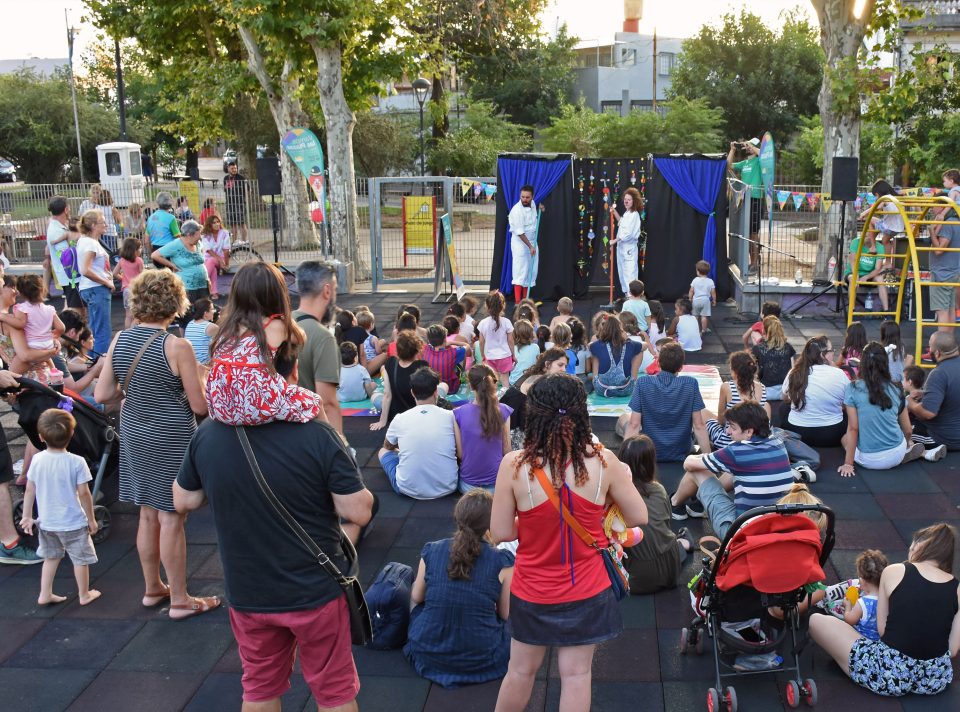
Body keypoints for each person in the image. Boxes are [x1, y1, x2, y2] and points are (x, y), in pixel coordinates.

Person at [173, 371, 373, 711]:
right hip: (313, 590)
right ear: (291, 373)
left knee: (259, 687)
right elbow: (359, 511)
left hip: (249, 590)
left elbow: (184, 499)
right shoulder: (316, 432)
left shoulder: (210, 432)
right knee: (334, 689)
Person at [490, 374, 647, 712]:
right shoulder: (604, 462)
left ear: (534, 414)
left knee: (519, 672)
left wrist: (533, 521)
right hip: (587, 589)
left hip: (533, 588)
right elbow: (639, 516)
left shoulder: (514, 465)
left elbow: (500, 532)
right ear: (581, 414)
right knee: (576, 675)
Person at [94, 269, 220, 619]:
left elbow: (102, 394)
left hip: (135, 430)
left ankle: (153, 588)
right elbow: (199, 406)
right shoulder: (176, 346)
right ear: (175, 303)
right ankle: (179, 599)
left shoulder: (120, 339)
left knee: (147, 514)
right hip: (171, 436)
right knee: (172, 517)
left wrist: (136, 392)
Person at [809, 523, 960, 698]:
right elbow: (952, 648)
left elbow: (883, 630)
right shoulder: (957, 588)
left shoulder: (895, 571)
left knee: (816, 621)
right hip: (935, 679)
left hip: (888, 675)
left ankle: (847, 661)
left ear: (919, 546)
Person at [404, 489, 514, 688]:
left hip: (428, 651)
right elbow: (505, 614)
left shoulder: (432, 550)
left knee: (416, 601)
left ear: (457, 518)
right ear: (490, 524)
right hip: (482, 657)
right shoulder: (502, 561)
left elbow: (417, 596)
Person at [206, 263, 323, 426]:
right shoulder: (275, 325)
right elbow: (300, 338)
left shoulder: (227, 327)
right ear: (277, 295)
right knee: (316, 402)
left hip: (222, 406)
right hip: (259, 404)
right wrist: (283, 317)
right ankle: (335, 438)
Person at [669, 402, 794, 536]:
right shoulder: (778, 443)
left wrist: (701, 456)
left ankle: (674, 504)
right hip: (776, 527)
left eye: (733, 428)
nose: (727, 432)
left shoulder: (736, 452)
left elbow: (688, 464)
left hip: (740, 534)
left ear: (749, 432)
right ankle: (699, 504)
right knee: (737, 470)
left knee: (697, 471)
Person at [18, 408, 100, 605]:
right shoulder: (77, 462)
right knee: (80, 559)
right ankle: (84, 594)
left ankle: (45, 594)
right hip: (73, 523)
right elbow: (84, 494)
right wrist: (91, 519)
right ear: (72, 435)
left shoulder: (37, 460)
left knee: (51, 558)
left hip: (47, 523)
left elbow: (30, 490)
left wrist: (27, 516)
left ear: (40, 437)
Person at [618, 435, 692, 594]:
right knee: (667, 539)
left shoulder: (616, 497)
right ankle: (683, 543)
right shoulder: (658, 490)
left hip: (634, 579)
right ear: (651, 463)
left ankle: (682, 543)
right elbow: (665, 526)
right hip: (670, 571)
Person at [839, 342, 925, 476]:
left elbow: (853, 428)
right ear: (885, 363)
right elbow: (908, 430)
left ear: (863, 363)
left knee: (845, 438)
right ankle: (909, 451)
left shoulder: (853, 388)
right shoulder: (897, 389)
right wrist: (907, 442)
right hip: (897, 453)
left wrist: (848, 464)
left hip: (869, 460)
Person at [618, 342, 711, 461]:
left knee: (624, 419)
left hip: (649, 450)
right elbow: (698, 425)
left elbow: (634, 424)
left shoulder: (643, 383)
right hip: (681, 450)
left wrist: (623, 462)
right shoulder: (690, 384)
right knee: (703, 414)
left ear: (658, 363)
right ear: (681, 367)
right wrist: (709, 459)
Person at [379, 367, 458, 499]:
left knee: (383, 452)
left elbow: (387, 446)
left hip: (407, 488)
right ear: (436, 392)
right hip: (448, 486)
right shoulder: (450, 416)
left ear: (412, 393)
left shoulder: (400, 418)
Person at [293, 261, 343, 435]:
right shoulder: (323, 337)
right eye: (335, 290)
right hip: (310, 435)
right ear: (327, 291)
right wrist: (341, 445)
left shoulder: (281, 324)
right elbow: (327, 404)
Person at [454, 364, 512, 494]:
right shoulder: (504, 411)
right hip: (497, 483)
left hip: (467, 486)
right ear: (494, 383)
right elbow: (507, 450)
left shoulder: (458, 413)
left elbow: (461, 454)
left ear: (470, 386)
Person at [782, 337, 850, 447]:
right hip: (831, 434)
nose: (833, 353)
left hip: (797, 432)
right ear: (823, 355)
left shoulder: (794, 372)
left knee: (784, 407)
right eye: (831, 350)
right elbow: (849, 402)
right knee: (848, 414)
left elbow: (785, 397)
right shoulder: (839, 374)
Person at [501, 348, 569, 449]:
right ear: (547, 364)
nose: (564, 369)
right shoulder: (541, 382)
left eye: (565, 366)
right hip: (513, 433)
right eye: (560, 365)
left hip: (507, 426)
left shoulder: (534, 376)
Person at [907, 330, 960, 449]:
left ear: (937, 353)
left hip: (943, 438)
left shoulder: (939, 373)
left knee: (898, 430)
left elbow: (928, 413)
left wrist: (909, 402)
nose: (929, 350)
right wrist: (926, 394)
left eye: (930, 347)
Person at [705, 350, 769, 449]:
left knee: (704, 414)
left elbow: (721, 420)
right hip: (754, 441)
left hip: (729, 441)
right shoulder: (762, 388)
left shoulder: (727, 387)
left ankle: (706, 448)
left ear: (734, 371)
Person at [5, 275, 64, 375]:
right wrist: (54, 335)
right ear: (43, 290)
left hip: (33, 346)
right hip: (48, 344)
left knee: (12, 372)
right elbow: (61, 327)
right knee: (46, 360)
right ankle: (54, 370)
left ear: (21, 293)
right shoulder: (49, 309)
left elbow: (20, 324)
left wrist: (3, 317)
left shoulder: (23, 308)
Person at [370, 332, 429, 430]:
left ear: (398, 350)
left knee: (374, 396)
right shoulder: (422, 365)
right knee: (443, 386)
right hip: (416, 415)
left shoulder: (390, 362)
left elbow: (387, 394)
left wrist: (382, 421)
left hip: (395, 415)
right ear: (417, 350)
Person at [76, 210, 114, 355]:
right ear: (93, 225)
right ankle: (100, 363)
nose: (106, 224)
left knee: (95, 328)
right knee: (102, 331)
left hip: (92, 288)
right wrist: (106, 282)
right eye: (102, 222)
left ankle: (92, 360)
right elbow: (85, 270)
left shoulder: (87, 241)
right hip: (96, 289)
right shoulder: (90, 244)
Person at [151, 219, 210, 309]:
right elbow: (155, 255)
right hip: (187, 286)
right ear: (189, 235)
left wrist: (207, 278)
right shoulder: (176, 244)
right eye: (197, 236)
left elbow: (200, 260)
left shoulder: (198, 243)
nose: (199, 238)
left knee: (204, 309)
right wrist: (172, 265)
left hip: (202, 285)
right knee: (189, 311)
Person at [727, 138, 763, 274]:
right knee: (747, 233)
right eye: (747, 145)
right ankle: (751, 263)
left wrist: (750, 145)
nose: (747, 147)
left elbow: (763, 153)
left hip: (755, 198)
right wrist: (732, 150)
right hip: (744, 199)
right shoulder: (744, 163)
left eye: (750, 145)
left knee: (753, 233)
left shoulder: (759, 161)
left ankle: (754, 264)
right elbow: (728, 165)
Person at [927, 191, 960, 332]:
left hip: (942, 274)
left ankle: (941, 343)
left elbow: (939, 250)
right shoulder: (957, 221)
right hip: (954, 271)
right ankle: (949, 342)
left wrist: (932, 232)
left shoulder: (947, 224)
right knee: (951, 309)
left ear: (942, 206)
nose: (932, 208)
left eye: (934, 205)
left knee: (942, 311)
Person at [902, 365, 949, 461]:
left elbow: (903, 419)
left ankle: (911, 446)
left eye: (903, 379)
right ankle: (929, 452)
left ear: (910, 381)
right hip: (938, 434)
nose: (901, 381)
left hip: (927, 436)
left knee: (901, 432)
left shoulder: (909, 398)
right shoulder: (927, 394)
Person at [590, 313, 643, 398]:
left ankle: (595, 377)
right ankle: (633, 378)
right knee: (640, 350)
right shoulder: (630, 344)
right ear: (620, 329)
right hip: (625, 390)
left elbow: (589, 346)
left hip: (602, 390)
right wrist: (627, 339)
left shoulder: (595, 345)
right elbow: (645, 345)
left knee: (595, 353)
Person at [45, 196, 83, 312]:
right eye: (69, 208)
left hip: (70, 276)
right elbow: (66, 256)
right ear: (66, 210)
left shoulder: (59, 227)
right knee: (76, 310)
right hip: (71, 277)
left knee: (76, 308)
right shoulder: (57, 230)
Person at [842, 550, 889, 641]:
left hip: (862, 640)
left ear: (863, 581)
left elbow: (849, 620)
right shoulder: (889, 598)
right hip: (881, 640)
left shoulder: (862, 603)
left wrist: (848, 606)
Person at [844, 228, 889, 314]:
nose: (864, 236)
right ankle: (852, 311)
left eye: (868, 235)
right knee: (853, 279)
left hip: (869, 275)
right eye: (864, 233)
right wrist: (856, 274)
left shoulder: (879, 247)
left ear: (874, 237)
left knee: (880, 279)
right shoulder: (856, 242)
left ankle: (886, 312)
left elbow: (877, 268)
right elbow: (853, 260)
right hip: (854, 271)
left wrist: (866, 277)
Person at [507, 185, 540, 303]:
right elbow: (520, 233)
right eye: (522, 197)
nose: (525, 199)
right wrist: (530, 247)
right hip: (520, 243)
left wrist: (541, 208)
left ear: (532, 197)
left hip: (532, 241)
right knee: (520, 271)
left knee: (530, 270)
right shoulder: (516, 211)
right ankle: (518, 302)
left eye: (527, 197)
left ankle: (526, 300)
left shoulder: (533, 204)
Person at [751, 315, 795, 401]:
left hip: (765, 392)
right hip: (786, 392)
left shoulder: (758, 349)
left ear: (764, 330)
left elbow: (753, 373)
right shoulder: (788, 347)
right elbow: (793, 371)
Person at [609, 187, 643, 295]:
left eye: (629, 199)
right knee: (623, 273)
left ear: (634, 201)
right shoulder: (627, 213)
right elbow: (621, 222)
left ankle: (632, 297)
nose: (626, 201)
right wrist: (614, 211)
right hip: (622, 248)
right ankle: (627, 296)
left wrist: (614, 241)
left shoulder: (634, 215)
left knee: (629, 273)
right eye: (625, 199)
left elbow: (628, 234)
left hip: (629, 249)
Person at [478, 291, 515, 387]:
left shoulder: (483, 323)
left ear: (486, 306)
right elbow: (510, 341)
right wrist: (513, 355)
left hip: (490, 356)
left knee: (492, 381)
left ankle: (493, 396)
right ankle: (506, 395)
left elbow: (481, 342)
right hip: (505, 355)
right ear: (503, 305)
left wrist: (482, 355)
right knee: (505, 380)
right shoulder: (507, 322)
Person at [423, 324, 465, 396]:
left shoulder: (425, 349)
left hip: (432, 388)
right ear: (445, 339)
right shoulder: (453, 352)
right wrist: (452, 342)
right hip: (451, 389)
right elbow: (467, 347)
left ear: (429, 340)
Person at [113, 236, 144, 329]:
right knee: (137, 315)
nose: (141, 249)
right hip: (136, 290)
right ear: (135, 250)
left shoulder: (122, 260)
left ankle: (127, 333)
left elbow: (114, 273)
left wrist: (123, 279)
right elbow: (142, 276)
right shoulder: (139, 260)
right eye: (140, 248)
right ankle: (134, 333)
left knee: (128, 316)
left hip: (126, 290)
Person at [200, 213, 231, 299]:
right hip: (208, 259)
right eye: (214, 223)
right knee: (212, 267)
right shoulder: (205, 235)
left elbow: (226, 250)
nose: (217, 224)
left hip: (221, 259)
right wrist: (220, 260)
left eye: (218, 222)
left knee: (211, 261)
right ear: (209, 224)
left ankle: (202, 284)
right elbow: (209, 251)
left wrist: (226, 264)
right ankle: (214, 293)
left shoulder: (225, 233)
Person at [144, 192, 181, 260]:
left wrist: (151, 254)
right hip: (169, 252)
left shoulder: (151, 218)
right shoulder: (171, 218)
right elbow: (178, 238)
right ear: (170, 204)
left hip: (155, 253)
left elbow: (146, 241)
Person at [184, 297, 217, 367]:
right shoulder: (211, 327)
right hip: (205, 365)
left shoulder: (190, 323)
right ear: (205, 313)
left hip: (190, 363)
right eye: (212, 309)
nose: (214, 311)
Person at [689, 260, 717, 334]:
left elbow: (691, 290)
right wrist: (714, 300)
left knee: (695, 316)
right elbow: (713, 292)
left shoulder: (695, 280)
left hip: (696, 300)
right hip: (706, 301)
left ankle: (695, 329)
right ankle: (704, 329)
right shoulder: (710, 281)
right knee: (704, 316)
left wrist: (690, 298)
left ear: (698, 271)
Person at [223, 161, 248, 243]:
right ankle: (234, 242)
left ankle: (244, 242)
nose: (234, 170)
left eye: (235, 168)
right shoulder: (226, 178)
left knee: (241, 223)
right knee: (233, 224)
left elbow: (248, 189)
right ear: (228, 169)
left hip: (239, 204)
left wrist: (243, 198)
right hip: (230, 204)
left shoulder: (241, 178)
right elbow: (225, 190)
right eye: (232, 168)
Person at [509, 319, 539, 386]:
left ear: (514, 334)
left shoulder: (511, 348)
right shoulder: (535, 347)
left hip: (514, 383)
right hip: (529, 383)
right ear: (531, 333)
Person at [880, 320, 911, 384]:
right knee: (909, 357)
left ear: (884, 335)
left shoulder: (883, 350)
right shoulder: (901, 347)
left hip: (889, 382)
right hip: (901, 381)